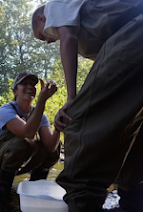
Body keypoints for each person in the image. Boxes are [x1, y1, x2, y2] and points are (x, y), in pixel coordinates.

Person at [32, 1, 143, 211]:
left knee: (76, 122)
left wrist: (72, 100)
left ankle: (83, 201)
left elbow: (68, 38)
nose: (46, 41)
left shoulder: (53, 7)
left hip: (136, 31)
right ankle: (133, 200)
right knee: (132, 127)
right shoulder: (85, 20)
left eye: (41, 36)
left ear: (41, 19)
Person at [0, 72, 61, 197]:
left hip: (17, 162)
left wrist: (58, 127)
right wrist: (42, 100)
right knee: (23, 142)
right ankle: (2, 186)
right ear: (15, 91)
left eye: (32, 84)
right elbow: (27, 133)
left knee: (56, 146)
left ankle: (36, 185)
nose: (29, 87)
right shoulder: (6, 110)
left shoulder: (39, 115)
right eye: (24, 84)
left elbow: (50, 147)